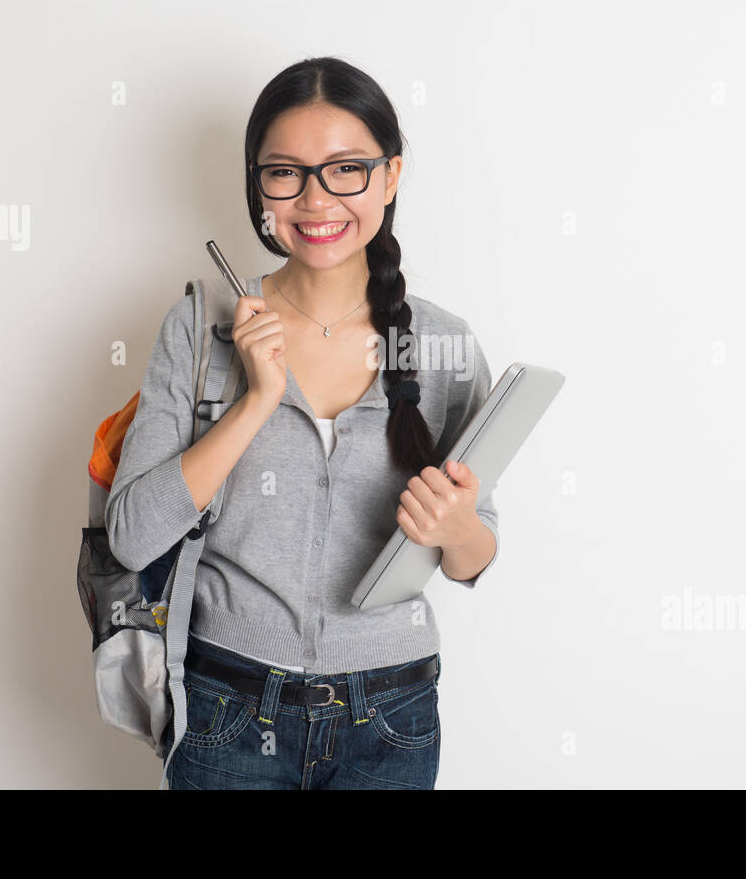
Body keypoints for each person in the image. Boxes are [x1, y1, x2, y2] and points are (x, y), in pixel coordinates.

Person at [105, 56, 500, 789]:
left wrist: (458, 528)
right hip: (227, 708)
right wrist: (256, 400)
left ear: (391, 174)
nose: (315, 200)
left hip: (392, 714)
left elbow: (476, 555)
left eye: (346, 168)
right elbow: (132, 533)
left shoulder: (444, 344)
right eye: (284, 172)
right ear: (257, 184)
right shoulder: (199, 324)